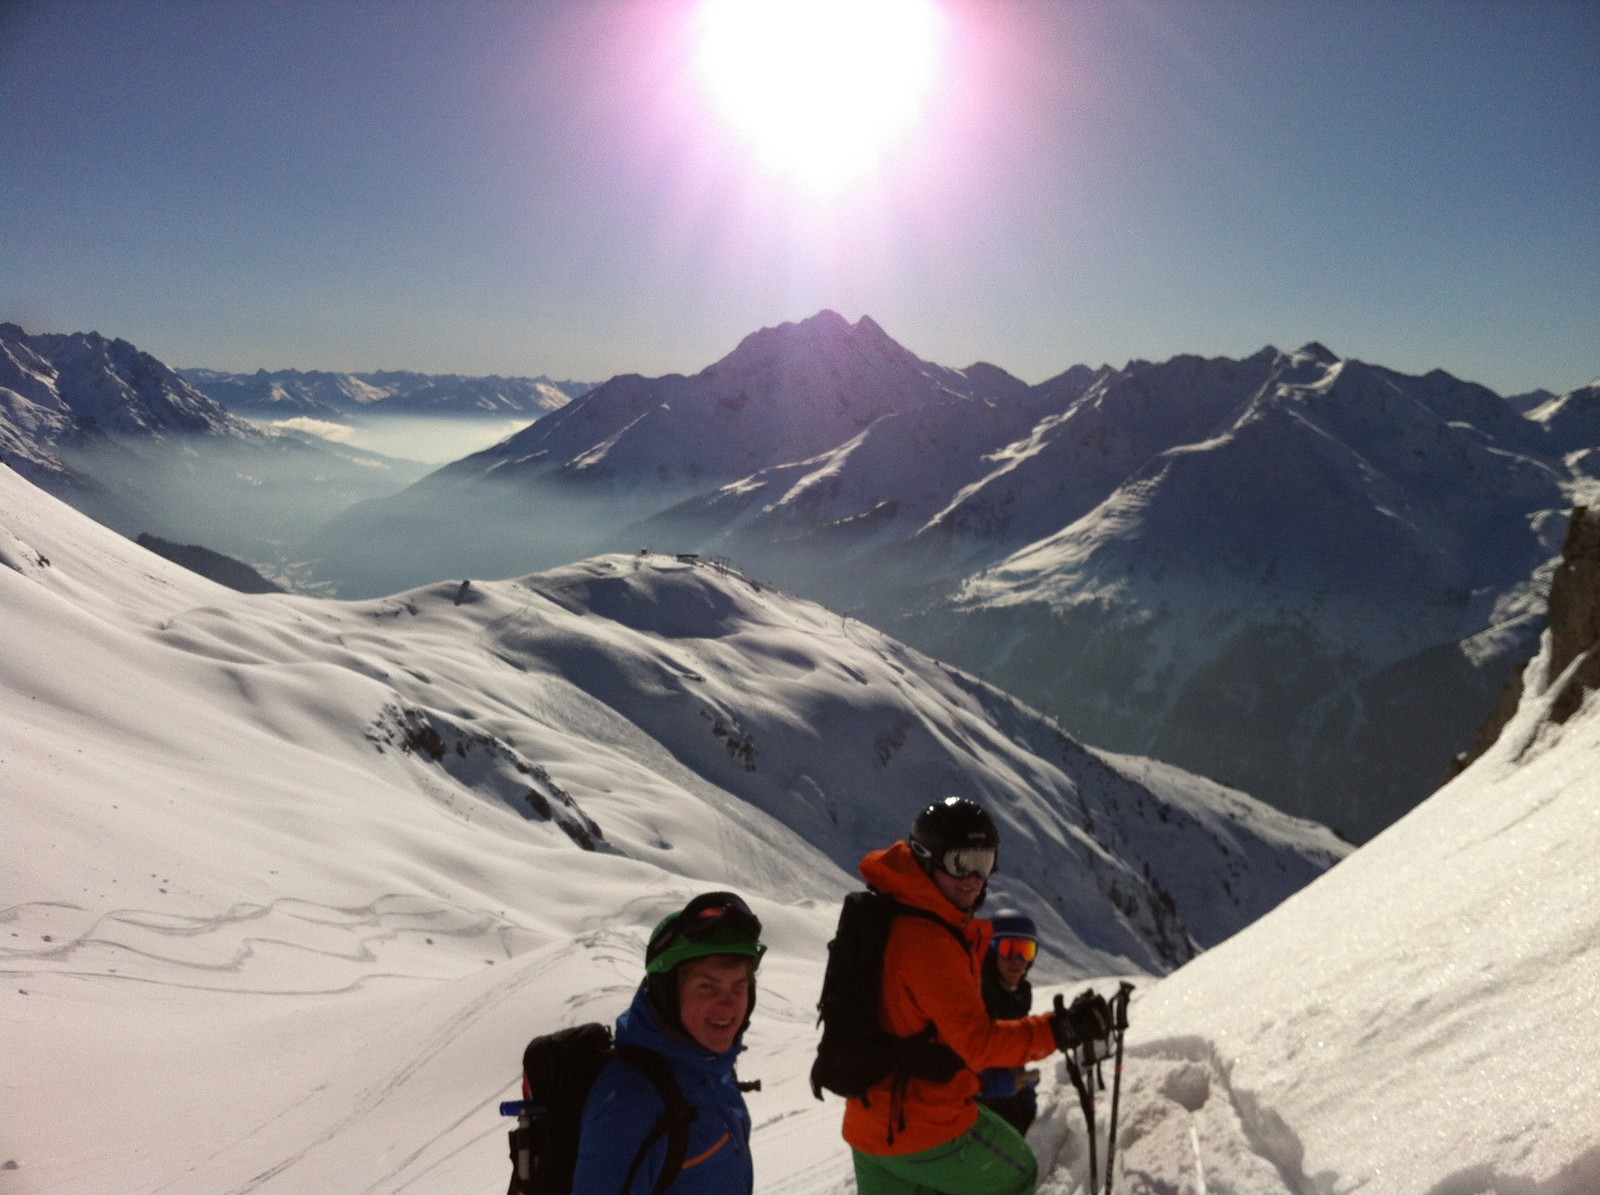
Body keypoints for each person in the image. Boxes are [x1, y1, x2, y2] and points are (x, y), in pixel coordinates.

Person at [844, 796, 1111, 1195]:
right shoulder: (929, 940)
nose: (973, 878)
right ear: (926, 858)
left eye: (983, 863)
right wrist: (1061, 1028)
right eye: (960, 862)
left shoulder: (890, 913)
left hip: (868, 1130)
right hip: (924, 1127)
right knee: (1018, 1172)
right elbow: (978, 1043)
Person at [572, 890, 766, 1194]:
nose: (729, 1005)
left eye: (738, 988)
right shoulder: (632, 1105)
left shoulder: (710, 1067)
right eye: (707, 987)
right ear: (666, 994)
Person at [977, 911, 1042, 1136]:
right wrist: (988, 1084)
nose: (1018, 960)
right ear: (990, 951)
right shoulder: (974, 996)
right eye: (1009, 949)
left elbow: (1015, 1054)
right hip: (972, 1113)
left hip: (1004, 1108)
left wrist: (1025, 1093)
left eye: (1026, 951)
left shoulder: (1017, 998)